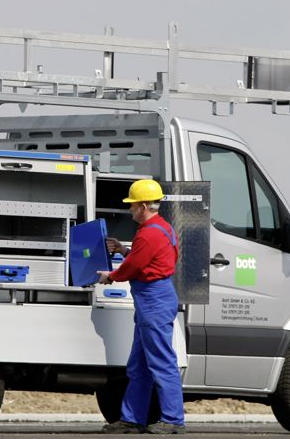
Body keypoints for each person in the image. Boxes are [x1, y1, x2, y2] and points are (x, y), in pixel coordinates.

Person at [97, 179, 186, 435]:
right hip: (155, 298)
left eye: (133, 205)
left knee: (161, 362)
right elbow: (146, 260)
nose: (131, 210)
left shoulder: (148, 233)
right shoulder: (164, 228)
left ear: (144, 205)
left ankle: (173, 419)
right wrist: (124, 249)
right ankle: (132, 418)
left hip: (153, 300)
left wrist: (110, 275)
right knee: (139, 365)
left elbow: (135, 267)